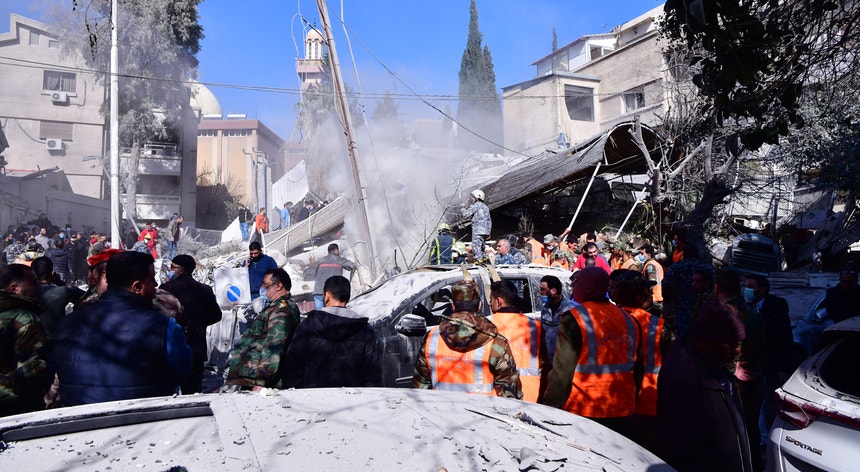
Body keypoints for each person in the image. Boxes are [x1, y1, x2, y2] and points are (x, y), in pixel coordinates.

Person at [53, 251, 192, 406]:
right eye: (152, 279)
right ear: (137, 287)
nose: (155, 284)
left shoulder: (65, 324)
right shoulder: (164, 327)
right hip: (144, 420)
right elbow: (182, 372)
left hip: (79, 422)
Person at [543, 267, 642, 439]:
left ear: (589, 287)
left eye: (577, 282)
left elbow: (562, 373)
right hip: (624, 409)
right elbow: (638, 369)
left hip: (586, 411)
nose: (573, 286)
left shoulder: (574, 319)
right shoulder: (629, 319)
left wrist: (551, 410)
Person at [657, 300, 752, 472]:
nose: (737, 351)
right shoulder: (686, 379)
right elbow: (682, 448)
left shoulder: (712, 362)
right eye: (732, 345)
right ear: (706, 341)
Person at [413, 280, 522, 399]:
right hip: (483, 415)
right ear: (480, 305)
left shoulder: (431, 338)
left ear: (453, 306)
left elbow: (421, 388)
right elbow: (510, 395)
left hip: (439, 413)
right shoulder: (496, 342)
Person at [608, 269, 670, 453]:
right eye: (647, 290)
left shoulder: (605, 322)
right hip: (649, 404)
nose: (651, 294)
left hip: (614, 404)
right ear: (638, 296)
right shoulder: (659, 326)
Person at [281, 275, 380, 388]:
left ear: (326, 295)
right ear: (347, 297)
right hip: (353, 400)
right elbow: (372, 374)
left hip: (312, 399)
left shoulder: (307, 327)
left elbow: (292, 369)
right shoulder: (364, 330)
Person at [716, 269, 767, 472]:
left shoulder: (726, 312)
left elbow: (717, 351)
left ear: (716, 287)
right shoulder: (750, 310)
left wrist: (732, 367)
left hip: (732, 384)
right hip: (753, 380)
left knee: (733, 434)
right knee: (750, 433)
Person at [225, 268, 301, 389]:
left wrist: (262, 382)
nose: (262, 287)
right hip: (250, 375)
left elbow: (274, 347)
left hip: (260, 380)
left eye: (265, 284)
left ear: (278, 286)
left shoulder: (281, 311)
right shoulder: (275, 307)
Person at [744, 273, 795, 447]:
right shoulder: (747, 307)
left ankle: (766, 439)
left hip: (771, 364)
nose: (746, 289)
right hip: (754, 364)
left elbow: (784, 340)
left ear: (762, 289)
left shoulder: (776, 309)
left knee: (767, 401)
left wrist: (783, 366)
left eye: (750, 286)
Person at [160, 255, 223, 393]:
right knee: (193, 391)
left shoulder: (166, 289)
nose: (170, 269)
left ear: (181, 270)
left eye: (172, 267)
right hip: (196, 347)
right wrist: (199, 323)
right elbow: (216, 315)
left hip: (169, 347)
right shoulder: (204, 289)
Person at [0, 264, 53, 417]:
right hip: (11, 406)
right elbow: (30, 372)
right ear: (14, 289)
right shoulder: (25, 320)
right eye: (33, 283)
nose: (38, 288)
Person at [488, 280, 547, 402]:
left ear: (499, 302)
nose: (489, 303)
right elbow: (545, 364)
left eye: (491, 300)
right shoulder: (535, 326)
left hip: (498, 396)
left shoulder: (487, 325)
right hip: (532, 396)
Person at [31, 256, 84, 339]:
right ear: (52, 273)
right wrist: (60, 283)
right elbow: (87, 297)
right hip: (55, 339)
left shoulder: (27, 292)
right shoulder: (62, 291)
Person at [539, 275, 576, 365]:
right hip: (550, 361)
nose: (540, 292)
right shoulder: (545, 309)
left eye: (543, 289)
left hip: (566, 363)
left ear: (553, 291)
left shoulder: (571, 308)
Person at [313, 243, 356, 309]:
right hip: (332, 292)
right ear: (336, 250)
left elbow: (315, 274)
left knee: (319, 313)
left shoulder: (321, 260)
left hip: (318, 291)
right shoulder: (339, 260)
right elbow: (352, 266)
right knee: (333, 313)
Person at [459, 189, 491, 262]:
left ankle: (479, 264)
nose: (472, 199)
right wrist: (488, 232)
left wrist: (462, 208)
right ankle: (486, 262)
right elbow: (489, 220)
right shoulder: (486, 207)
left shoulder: (476, 206)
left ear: (477, 197)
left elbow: (466, 214)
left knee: (476, 249)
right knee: (482, 249)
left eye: (473, 197)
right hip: (484, 232)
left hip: (477, 231)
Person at [639, 245, 664, 309]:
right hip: (657, 297)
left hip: (653, 299)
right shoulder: (655, 264)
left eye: (642, 253)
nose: (640, 256)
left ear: (649, 255)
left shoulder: (650, 266)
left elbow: (652, 282)